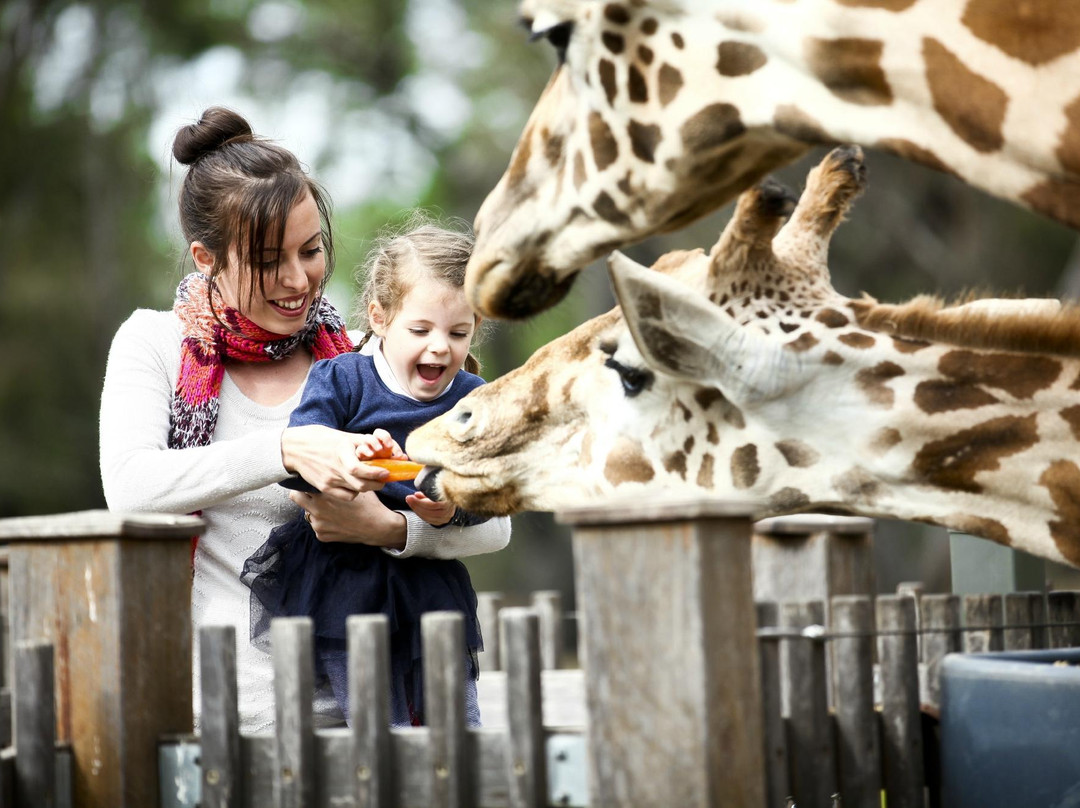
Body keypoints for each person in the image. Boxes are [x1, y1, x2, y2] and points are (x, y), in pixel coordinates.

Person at [98, 106, 507, 732]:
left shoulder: (363, 358)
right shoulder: (155, 343)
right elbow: (130, 486)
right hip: (247, 717)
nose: (298, 280)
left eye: (311, 250)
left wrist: (393, 531)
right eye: (268, 261)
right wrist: (287, 450)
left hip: (385, 702)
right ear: (205, 258)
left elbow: (493, 526)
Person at [242, 216, 511, 727]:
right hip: (344, 581)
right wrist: (351, 454)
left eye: (459, 332)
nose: (440, 347)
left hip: (428, 586)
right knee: (380, 731)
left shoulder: (473, 398)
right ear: (380, 317)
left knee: (460, 724)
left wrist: (453, 508)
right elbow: (300, 460)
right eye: (421, 329)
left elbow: (491, 494)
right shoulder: (343, 379)